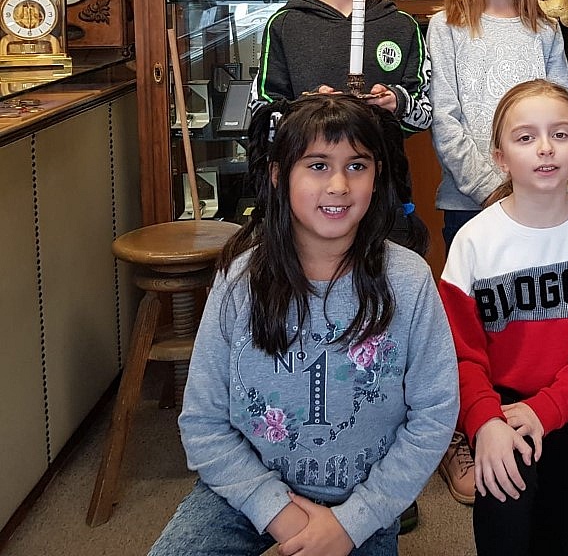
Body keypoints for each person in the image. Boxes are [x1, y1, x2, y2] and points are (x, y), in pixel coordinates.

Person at [147, 94, 459, 556]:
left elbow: (434, 415)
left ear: (376, 176)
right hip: (245, 490)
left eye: (357, 166)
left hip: (364, 501)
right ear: (279, 175)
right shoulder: (239, 281)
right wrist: (282, 515)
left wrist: (351, 524)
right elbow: (203, 421)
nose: (339, 185)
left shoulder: (409, 279)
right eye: (317, 166)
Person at [438, 79, 568, 556]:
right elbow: (460, 355)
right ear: (501, 157)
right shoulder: (473, 242)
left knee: (557, 535)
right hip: (498, 410)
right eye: (526, 137)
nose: (545, 148)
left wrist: (548, 410)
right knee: (503, 535)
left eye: (561, 134)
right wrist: (483, 422)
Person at [427, 0, 568, 503]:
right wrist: (492, 188)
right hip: (470, 203)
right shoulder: (446, 26)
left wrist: (532, 185)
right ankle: (464, 432)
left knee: (524, 321)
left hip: (537, 204)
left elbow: (561, 105)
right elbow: (445, 118)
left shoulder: (545, 28)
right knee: (469, 329)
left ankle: (524, 419)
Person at [255, 0, 431, 253]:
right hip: (307, 201)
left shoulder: (401, 27)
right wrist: (305, 110)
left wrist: (396, 103)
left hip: (384, 198)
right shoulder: (286, 25)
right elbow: (262, 116)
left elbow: (425, 113)